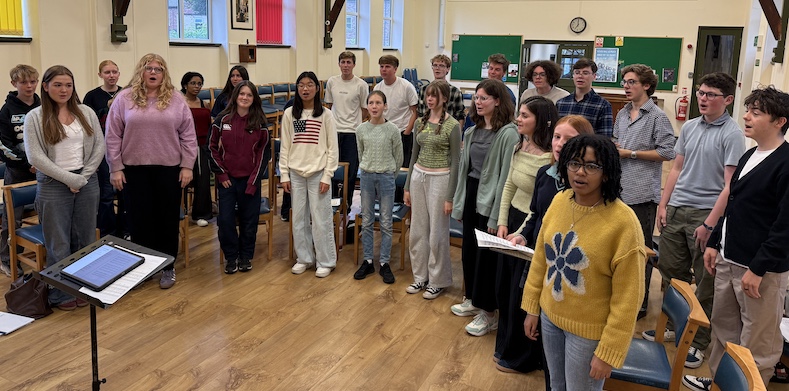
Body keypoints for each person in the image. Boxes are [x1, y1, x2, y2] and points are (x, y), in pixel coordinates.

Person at [682, 87, 789, 391]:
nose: (746, 116)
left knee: (758, 343)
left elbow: (784, 227)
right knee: (723, 331)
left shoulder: (784, 162)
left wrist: (758, 268)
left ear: (779, 121)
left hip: (760, 271)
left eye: (756, 112)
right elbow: (732, 206)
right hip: (729, 260)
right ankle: (719, 382)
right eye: (748, 110)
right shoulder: (749, 155)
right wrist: (715, 244)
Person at [522, 134, 646, 391]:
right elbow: (541, 260)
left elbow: (629, 297)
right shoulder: (559, 201)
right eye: (574, 163)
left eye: (591, 166)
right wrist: (533, 307)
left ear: (607, 173)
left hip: (588, 333)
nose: (580, 172)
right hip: (550, 318)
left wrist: (609, 350)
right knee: (556, 386)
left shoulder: (624, 223)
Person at [642, 72, 745, 369]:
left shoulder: (732, 134)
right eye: (701, 92)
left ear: (727, 100)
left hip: (706, 213)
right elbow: (676, 169)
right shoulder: (688, 127)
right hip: (677, 209)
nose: (703, 98)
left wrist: (711, 224)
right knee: (672, 273)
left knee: (705, 280)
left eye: (711, 94)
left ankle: (698, 342)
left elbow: (730, 186)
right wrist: (664, 203)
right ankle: (677, 325)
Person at [105, 53, 197, 289]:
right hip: (134, 170)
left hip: (169, 169)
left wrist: (188, 165)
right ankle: (143, 267)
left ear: (164, 73)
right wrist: (115, 167)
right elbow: (112, 135)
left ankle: (168, 266)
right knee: (138, 220)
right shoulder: (124, 98)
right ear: (141, 72)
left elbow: (188, 136)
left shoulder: (176, 100)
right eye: (149, 68)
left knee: (166, 219)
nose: (153, 72)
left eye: (158, 69)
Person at [24, 65, 105, 310]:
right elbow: (36, 158)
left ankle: (84, 287)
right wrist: (69, 180)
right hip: (52, 185)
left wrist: (82, 177)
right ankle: (60, 293)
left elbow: (99, 147)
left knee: (86, 238)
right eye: (57, 85)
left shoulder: (86, 112)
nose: (63, 90)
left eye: (68, 85)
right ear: (46, 87)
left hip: (86, 181)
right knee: (58, 243)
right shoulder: (35, 117)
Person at [450, 78, 519, 336]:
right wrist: (459, 204)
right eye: (476, 98)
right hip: (471, 194)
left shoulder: (508, 133)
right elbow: (465, 171)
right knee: (469, 250)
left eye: (484, 98)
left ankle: (488, 313)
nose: (478, 103)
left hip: (491, 200)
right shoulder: (472, 130)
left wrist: (495, 215)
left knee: (487, 257)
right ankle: (472, 298)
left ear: (498, 101)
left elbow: (504, 178)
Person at [493, 96, 554, 374]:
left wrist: (518, 233)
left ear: (540, 121)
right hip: (513, 224)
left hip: (530, 229)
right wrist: (503, 222)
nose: (518, 119)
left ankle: (523, 357)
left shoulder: (549, 158)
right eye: (519, 114)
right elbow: (509, 185)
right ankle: (504, 348)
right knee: (505, 290)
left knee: (523, 295)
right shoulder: (520, 145)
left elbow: (538, 209)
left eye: (525, 115)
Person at [613, 64, 676, 320]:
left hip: (642, 195)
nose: (626, 86)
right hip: (619, 190)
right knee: (619, 248)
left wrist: (631, 153)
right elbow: (617, 142)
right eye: (624, 82)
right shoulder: (622, 113)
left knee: (641, 250)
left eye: (631, 82)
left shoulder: (657, 117)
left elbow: (667, 152)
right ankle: (619, 296)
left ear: (646, 85)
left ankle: (639, 302)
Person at [403, 80, 461, 299]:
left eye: (434, 96)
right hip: (419, 176)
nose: (429, 99)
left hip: (440, 178)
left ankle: (438, 280)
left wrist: (450, 196)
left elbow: (456, 161)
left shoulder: (452, 125)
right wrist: (408, 186)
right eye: (428, 95)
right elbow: (413, 157)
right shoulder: (420, 122)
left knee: (437, 232)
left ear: (444, 99)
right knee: (418, 229)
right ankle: (420, 277)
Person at [280, 71, 339, 278]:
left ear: (317, 88)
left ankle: (326, 260)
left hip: (318, 173)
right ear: (297, 89)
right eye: (301, 85)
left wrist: (327, 175)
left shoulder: (326, 114)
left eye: (310, 84)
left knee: (321, 218)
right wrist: (284, 174)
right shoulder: (290, 114)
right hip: (296, 173)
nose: (305, 89)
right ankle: (304, 258)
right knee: (298, 218)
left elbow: (333, 148)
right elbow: (285, 146)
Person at [208, 81, 269, 274]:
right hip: (227, 180)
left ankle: (245, 257)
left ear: (254, 99)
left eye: (249, 95)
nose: (244, 98)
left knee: (249, 221)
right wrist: (221, 173)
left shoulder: (259, 122)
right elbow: (211, 148)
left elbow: (263, 154)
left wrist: (253, 181)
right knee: (225, 221)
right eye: (241, 94)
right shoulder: (222, 119)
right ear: (235, 96)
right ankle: (231, 257)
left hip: (250, 181)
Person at [353, 90, 403, 284]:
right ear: (367, 106)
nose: (374, 106)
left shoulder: (392, 130)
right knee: (366, 220)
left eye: (378, 103)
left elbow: (398, 157)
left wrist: (389, 173)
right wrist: (369, 168)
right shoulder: (361, 130)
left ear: (385, 106)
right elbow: (361, 152)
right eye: (371, 103)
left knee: (385, 221)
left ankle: (384, 263)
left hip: (386, 177)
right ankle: (367, 260)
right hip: (366, 176)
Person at [0, 64, 39, 278]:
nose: (29, 86)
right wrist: (28, 164)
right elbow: (4, 147)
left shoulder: (42, 106)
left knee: (46, 213)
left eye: (33, 81)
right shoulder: (7, 110)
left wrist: (41, 163)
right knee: (11, 220)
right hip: (17, 172)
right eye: (24, 82)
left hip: (42, 171)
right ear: (14, 83)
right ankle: (8, 259)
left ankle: (44, 252)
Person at [83, 60, 123, 238]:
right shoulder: (92, 96)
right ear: (100, 75)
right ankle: (108, 231)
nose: (111, 75)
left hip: (125, 148)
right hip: (103, 150)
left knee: (125, 192)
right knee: (106, 193)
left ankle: (125, 229)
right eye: (107, 72)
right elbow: (87, 125)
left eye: (114, 72)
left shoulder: (126, 93)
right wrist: (104, 108)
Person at [324, 51, 369, 210]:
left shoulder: (361, 85)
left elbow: (365, 110)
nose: (345, 66)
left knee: (349, 172)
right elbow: (328, 106)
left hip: (352, 133)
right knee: (333, 169)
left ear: (354, 65)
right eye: (343, 62)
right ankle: (333, 203)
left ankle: (347, 203)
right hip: (334, 132)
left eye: (349, 62)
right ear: (339, 64)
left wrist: (353, 122)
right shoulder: (332, 82)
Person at [180, 71, 213, 227]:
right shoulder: (179, 102)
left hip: (202, 145)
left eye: (199, 83)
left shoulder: (203, 103)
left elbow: (209, 124)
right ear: (185, 84)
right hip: (184, 145)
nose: (197, 86)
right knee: (183, 179)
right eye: (193, 83)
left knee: (203, 178)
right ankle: (180, 212)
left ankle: (200, 213)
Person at [373, 55, 418, 167]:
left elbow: (415, 112)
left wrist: (407, 132)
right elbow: (375, 112)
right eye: (381, 66)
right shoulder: (377, 88)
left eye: (387, 66)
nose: (384, 69)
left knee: (402, 165)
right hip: (384, 132)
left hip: (402, 131)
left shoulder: (406, 86)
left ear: (395, 69)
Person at [556, 58, 613, 137]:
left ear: (594, 76)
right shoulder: (561, 103)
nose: (580, 76)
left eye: (585, 73)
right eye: (577, 73)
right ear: (573, 75)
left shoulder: (602, 105)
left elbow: (605, 138)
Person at [464, 53, 517, 130]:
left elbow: (506, 119)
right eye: (491, 68)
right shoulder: (481, 89)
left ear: (504, 73)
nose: (492, 72)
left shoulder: (508, 95)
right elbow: (472, 114)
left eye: (497, 70)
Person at [417, 54, 465, 122]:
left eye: (441, 66)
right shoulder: (423, 90)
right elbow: (419, 113)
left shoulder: (454, 92)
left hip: (446, 128)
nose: (437, 68)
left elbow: (460, 116)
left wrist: (457, 132)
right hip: (426, 128)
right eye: (435, 65)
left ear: (448, 69)